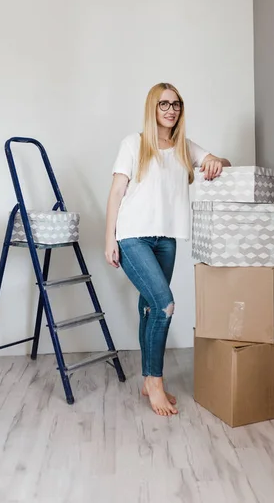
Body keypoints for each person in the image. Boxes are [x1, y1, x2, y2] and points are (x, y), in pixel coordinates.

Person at [105, 82, 231, 417]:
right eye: (164, 104)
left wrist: (217, 160)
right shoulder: (134, 144)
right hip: (133, 238)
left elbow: (218, 162)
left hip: (167, 240)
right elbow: (116, 192)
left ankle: (148, 379)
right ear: (152, 108)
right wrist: (109, 240)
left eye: (176, 104)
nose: (171, 109)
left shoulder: (182, 147)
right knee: (165, 305)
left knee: (149, 308)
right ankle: (156, 382)